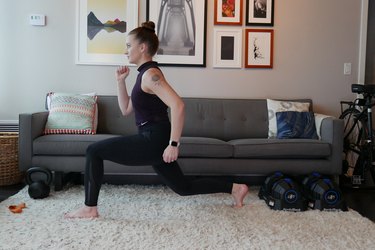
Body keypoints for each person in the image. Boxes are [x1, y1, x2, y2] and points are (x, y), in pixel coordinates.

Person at [65, 21, 249, 219]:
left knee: (94, 151)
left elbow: (178, 105)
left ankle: (90, 207)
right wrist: (120, 82)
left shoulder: (150, 75)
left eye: (128, 45)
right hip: (152, 137)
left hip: (154, 139)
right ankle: (235, 188)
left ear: (142, 47)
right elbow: (126, 109)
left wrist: (173, 144)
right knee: (183, 187)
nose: (125, 51)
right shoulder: (143, 75)